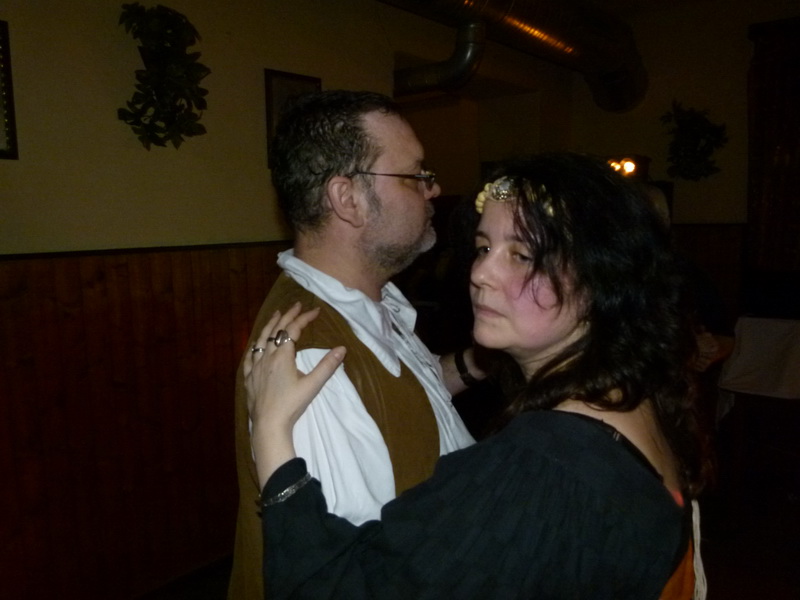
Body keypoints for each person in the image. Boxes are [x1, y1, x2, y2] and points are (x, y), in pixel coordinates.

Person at [246, 153, 710, 599]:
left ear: (601, 280)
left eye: (522, 254)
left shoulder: (543, 471)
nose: (482, 272)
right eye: (484, 247)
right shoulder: (631, 399)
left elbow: (339, 587)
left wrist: (270, 431)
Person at [227, 90, 478, 600]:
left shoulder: (367, 302)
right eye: (415, 175)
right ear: (348, 199)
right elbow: (351, 578)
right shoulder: (312, 363)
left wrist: (478, 364)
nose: (433, 188)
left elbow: (402, 399)